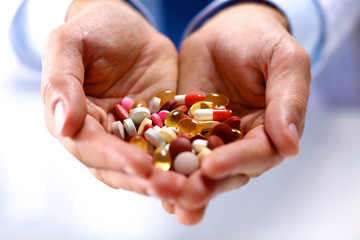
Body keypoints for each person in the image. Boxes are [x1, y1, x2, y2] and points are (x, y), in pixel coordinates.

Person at [8, 0, 360, 226]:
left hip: (319, 163)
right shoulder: (146, 123)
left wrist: (272, 10)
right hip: (54, 196)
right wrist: (87, 6)